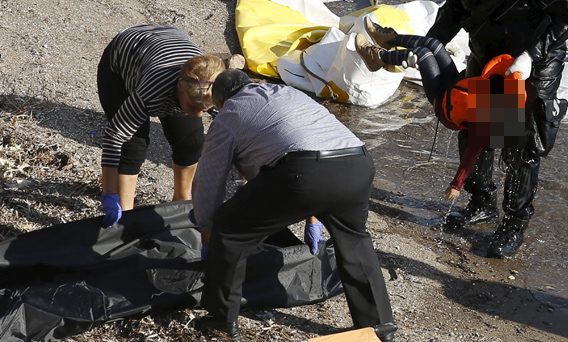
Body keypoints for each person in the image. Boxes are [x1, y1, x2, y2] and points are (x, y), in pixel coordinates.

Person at [365, 0, 568, 258]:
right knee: (475, 127)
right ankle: (481, 203)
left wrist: (529, 57)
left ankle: (514, 221)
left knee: (520, 144)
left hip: (533, 63)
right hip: (486, 55)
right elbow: (455, 12)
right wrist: (432, 45)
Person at [190, 69, 396, 341]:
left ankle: (221, 319)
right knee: (355, 241)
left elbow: (208, 179)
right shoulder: (287, 92)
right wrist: (314, 217)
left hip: (304, 172)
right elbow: (299, 145)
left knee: (230, 228)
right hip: (357, 162)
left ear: (218, 102)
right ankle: (379, 327)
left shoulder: (230, 113)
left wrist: (207, 231)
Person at [356, 23, 526, 201]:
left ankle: (377, 58)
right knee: (434, 44)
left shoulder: (492, 121)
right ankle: (389, 40)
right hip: (454, 84)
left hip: (442, 101)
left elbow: (471, 155)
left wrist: (456, 185)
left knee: (423, 55)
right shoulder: (505, 85)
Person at [97, 24, 225, 227]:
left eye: (206, 108)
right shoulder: (153, 90)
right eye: (194, 106)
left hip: (169, 42)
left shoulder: (215, 88)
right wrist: (109, 192)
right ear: (180, 88)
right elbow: (115, 137)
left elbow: (241, 129)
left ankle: (182, 204)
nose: (201, 113)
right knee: (133, 146)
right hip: (123, 59)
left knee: (190, 142)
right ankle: (125, 216)